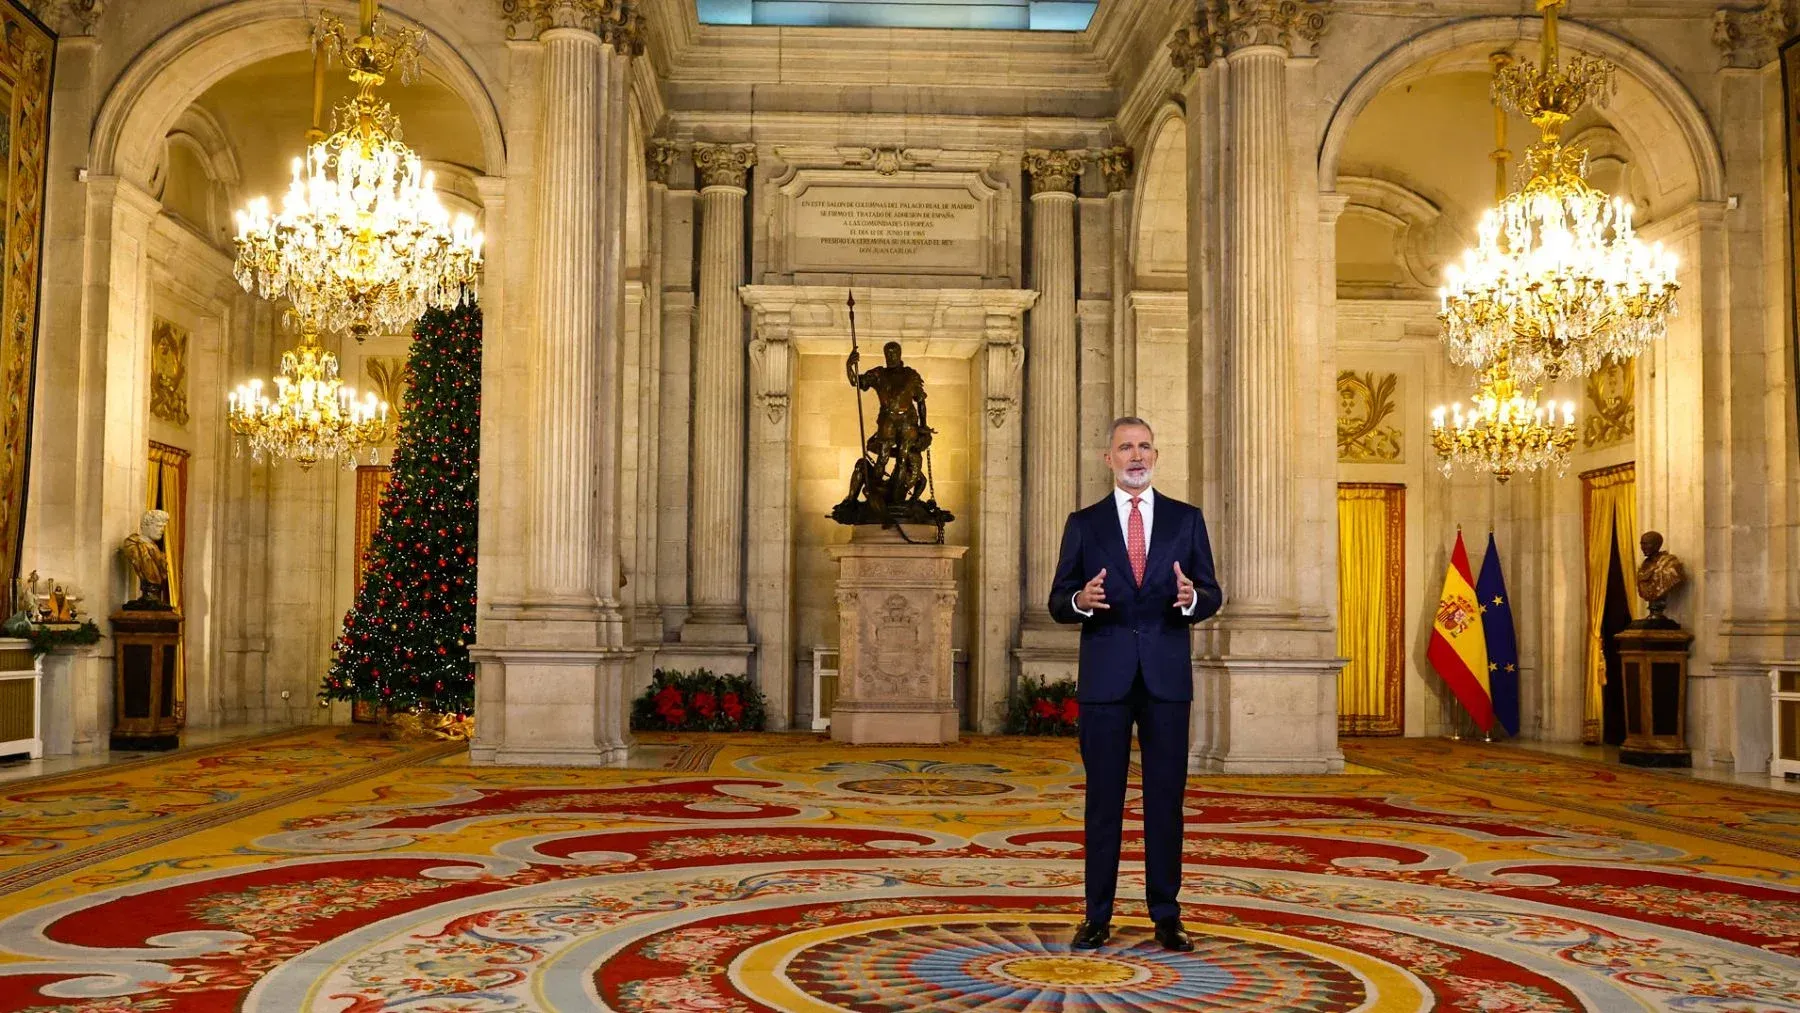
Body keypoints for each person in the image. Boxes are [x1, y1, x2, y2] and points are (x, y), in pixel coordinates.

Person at [1049, 416, 1221, 952]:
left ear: (1156, 455)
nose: (1136, 455)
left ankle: (1167, 916)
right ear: (1109, 458)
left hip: (1166, 680)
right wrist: (1080, 601)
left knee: (1165, 801)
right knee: (1104, 802)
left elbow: (1212, 593)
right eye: (1126, 447)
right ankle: (1096, 916)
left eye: (1144, 446)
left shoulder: (1186, 520)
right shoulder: (1084, 523)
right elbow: (1058, 599)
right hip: (1106, 680)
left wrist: (1192, 599)